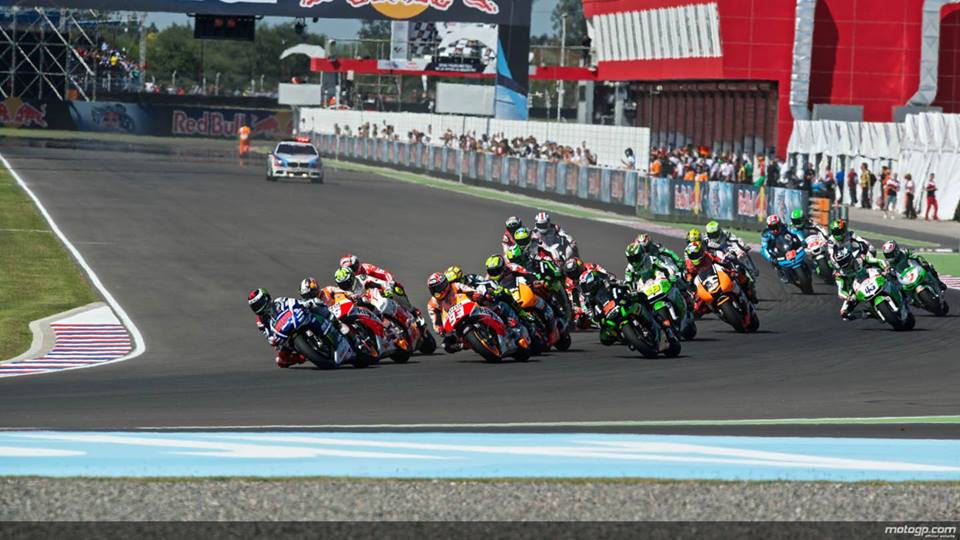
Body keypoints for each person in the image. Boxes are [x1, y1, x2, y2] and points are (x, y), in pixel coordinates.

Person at [248, 288, 353, 368]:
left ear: (266, 299)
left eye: (259, 304)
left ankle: (337, 324)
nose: (258, 308)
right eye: (255, 307)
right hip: (284, 335)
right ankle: (304, 356)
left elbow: (296, 303)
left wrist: (305, 304)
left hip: (297, 319)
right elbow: (268, 335)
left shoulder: (280, 302)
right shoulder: (260, 321)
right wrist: (272, 340)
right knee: (280, 360)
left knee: (315, 304)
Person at [578, 269, 645, 345]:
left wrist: (629, 291)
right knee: (604, 338)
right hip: (608, 315)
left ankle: (646, 318)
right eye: (584, 287)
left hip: (620, 303)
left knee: (640, 298)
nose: (587, 289)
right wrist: (589, 318)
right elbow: (590, 312)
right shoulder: (589, 299)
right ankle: (620, 336)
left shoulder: (606, 282)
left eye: (587, 286)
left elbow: (622, 284)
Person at [832, 246, 890, 321]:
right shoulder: (839, 274)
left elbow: (878, 261)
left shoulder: (860, 258)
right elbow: (840, 291)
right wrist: (848, 297)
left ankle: (905, 294)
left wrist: (885, 268)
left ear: (850, 256)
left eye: (845, 260)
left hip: (872, 275)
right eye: (841, 262)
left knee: (892, 273)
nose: (844, 264)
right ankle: (871, 313)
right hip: (857, 288)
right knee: (844, 314)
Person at [882, 240, 947, 291]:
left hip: (913, 268)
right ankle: (906, 303)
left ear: (896, 250)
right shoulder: (887, 263)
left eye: (891, 254)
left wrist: (922, 262)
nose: (889, 257)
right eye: (887, 255)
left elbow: (917, 256)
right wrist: (886, 273)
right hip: (903, 277)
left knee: (928, 266)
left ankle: (939, 282)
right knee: (895, 286)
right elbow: (886, 270)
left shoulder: (904, 252)